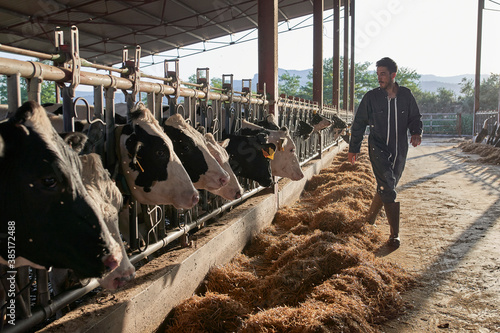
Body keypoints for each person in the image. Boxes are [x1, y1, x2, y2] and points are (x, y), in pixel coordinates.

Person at [347, 57, 423, 248]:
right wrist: (353, 148)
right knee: (388, 185)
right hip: (377, 147)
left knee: (386, 185)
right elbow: (358, 125)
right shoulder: (371, 97)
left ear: (393, 75)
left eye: (383, 74)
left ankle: (369, 220)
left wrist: (416, 132)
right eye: (378, 74)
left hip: (399, 149)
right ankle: (394, 235)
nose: (379, 78)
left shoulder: (406, 95)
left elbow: (415, 117)